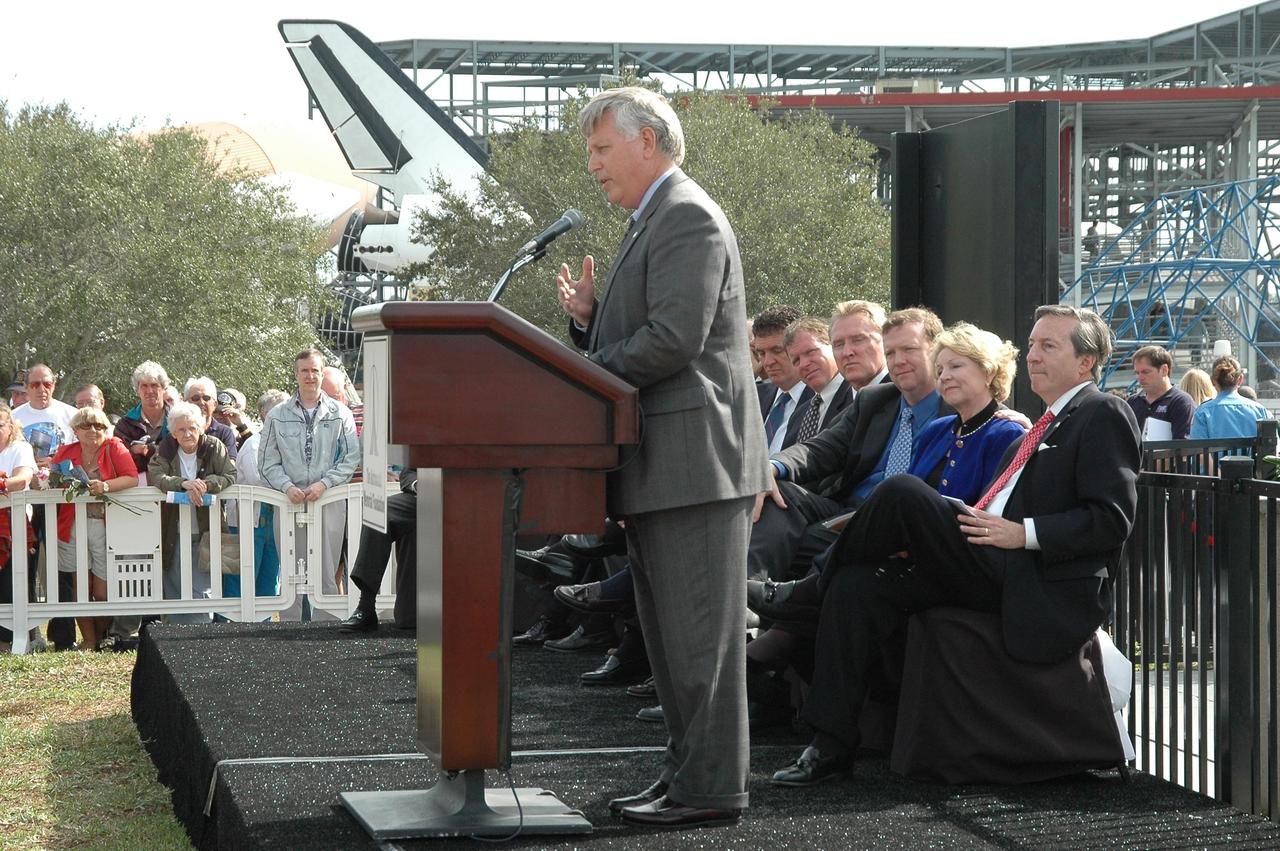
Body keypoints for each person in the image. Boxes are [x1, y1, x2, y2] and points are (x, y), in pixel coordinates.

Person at [770, 304, 1141, 786]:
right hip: (988, 557)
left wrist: (1022, 532)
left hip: (1030, 576)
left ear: (1086, 362)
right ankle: (830, 745)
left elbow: (1112, 521)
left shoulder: (1102, 411)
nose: (1033, 355)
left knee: (902, 492)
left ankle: (805, 591)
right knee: (859, 586)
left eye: (1048, 346)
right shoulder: (1045, 423)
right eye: (1031, 344)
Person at [554, 86, 770, 827]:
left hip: (694, 467)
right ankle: (685, 776)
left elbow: (674, 339)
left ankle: (710, 788)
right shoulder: (654, 218)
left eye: (601, 149)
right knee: (672, 646)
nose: (593, 165)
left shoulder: (686, 216)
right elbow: (648, 336)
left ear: (647, 142)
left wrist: (582, 374)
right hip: (664, 469)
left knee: (699, 644)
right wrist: (587, 325)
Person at [749, 308, 946, 583]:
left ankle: (772, 607)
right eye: (892, 353)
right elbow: (820, 448)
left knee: (805, 546)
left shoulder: (957, 409)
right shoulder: (875, 400)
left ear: (938, 351)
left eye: (909, 349)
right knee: (776, 493)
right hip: (848, 511)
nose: (898, 361)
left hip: (902, 524)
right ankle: (746, 599)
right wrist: (772, 467)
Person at [258, 348, 358, 621]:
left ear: (321, 373)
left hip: (328, 501)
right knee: (290, 570)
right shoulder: (277, 415)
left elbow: (351, 458)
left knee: (326, 570)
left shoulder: (341, 413)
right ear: (296, 374)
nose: (310, 376)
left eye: (315, 370)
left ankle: (326, 631)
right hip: (289, 501)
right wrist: (286, 487)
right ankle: (289, 630)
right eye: (305, 371)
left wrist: (325, 484)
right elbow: (266, 462)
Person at [49, 407, 138, 650]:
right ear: (75, 430)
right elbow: (52, 481)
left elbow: (132, 477)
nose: (93, 430)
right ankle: (89, 640)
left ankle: (99, 637)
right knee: (80, 587)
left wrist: (106, 486)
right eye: (86, 425)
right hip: (72, 524)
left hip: (105, 524)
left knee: (102, 591)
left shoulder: (115, 447)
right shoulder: (65, 452)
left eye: (98, 425)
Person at [149, 402, 237, 624]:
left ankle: (198, 636)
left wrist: (206, 484)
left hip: (208, 528)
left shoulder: (214, 446)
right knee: (174, 586)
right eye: (181, 430)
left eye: (192, 428)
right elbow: (157, 476)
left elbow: (230, 475)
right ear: (173, 433)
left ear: (201, 428)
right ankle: (174, 639)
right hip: (172, 531)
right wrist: (184, 484)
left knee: (202, 589)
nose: (187, 434)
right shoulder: (165, 449)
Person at [222, 389, 288, 603]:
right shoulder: (253, 445)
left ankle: (263, 630)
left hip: (272, 521)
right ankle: (229, 632)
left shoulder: (284, 444)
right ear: (264, 415)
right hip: (245, 523)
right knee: (238, 583)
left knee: (268, 584)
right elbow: (259, 479)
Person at [0, 404, 37, 653]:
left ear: (11, 426)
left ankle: (8, 642)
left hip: (13, 525)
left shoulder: (20, 448)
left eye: (0, 424)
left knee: (10, 584)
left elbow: (22, 479)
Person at [784, 317, 852, 444]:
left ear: (833, 346)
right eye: (796, 360)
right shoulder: (798, 416)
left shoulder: (856, 398)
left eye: (810, 352)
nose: (804, 364)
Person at [752, 306, 811, 453]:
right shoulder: (755, 398)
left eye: (777, 351)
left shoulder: (820, 400)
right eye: (761, 353)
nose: (768, 362)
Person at [115, 361, 173, 484]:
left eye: (154, 385)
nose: (149, 390)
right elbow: (121, 461)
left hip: (173, 485)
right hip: (137, 490)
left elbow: (178, 454)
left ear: (163, 388)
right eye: (144, 386)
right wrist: (160, 452)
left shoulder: (178, 420)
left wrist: (147, 450)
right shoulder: (124, 425)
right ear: (137, 390)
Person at [1190, 356, 1272, 439]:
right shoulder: (1261, 411)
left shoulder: (1202, 413)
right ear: (1240, 379)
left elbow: (1198, 450)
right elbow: (1273, 448)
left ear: (1212, 381)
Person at [1127, 345, 1194, 439]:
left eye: (1145, 372)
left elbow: (1182, 448)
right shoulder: (1132, 402)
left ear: (1164, 370)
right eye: (1137, 373)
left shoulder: (1181, 402)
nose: (1140, 378)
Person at [184, 377, 239, 463]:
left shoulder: (225, 433)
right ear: (185, 403)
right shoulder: (177, 431)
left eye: (206, 398)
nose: (201, 402)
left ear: (215, 404)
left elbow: (230, 468)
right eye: (196, 398)